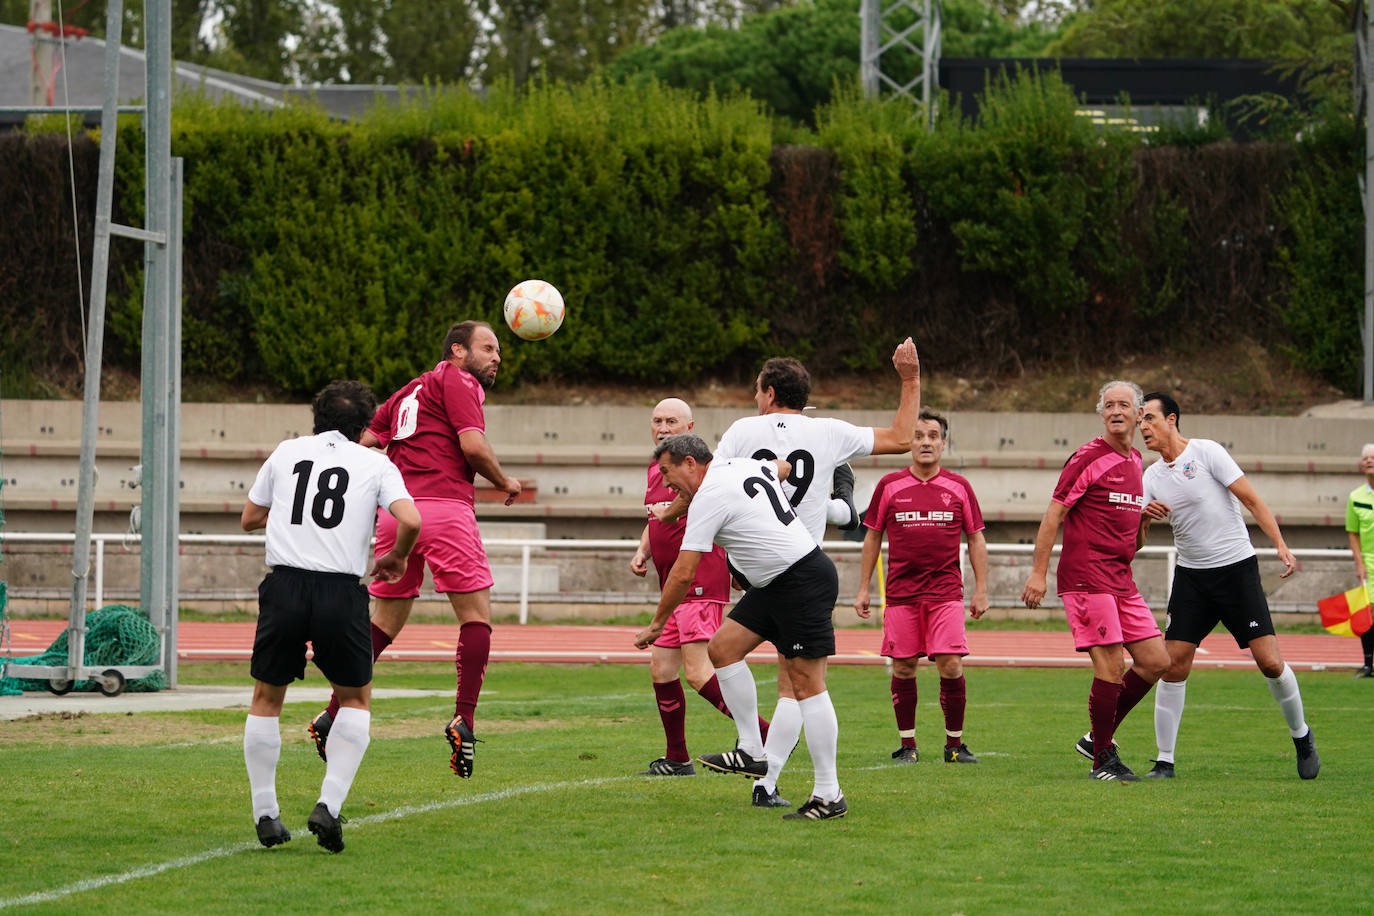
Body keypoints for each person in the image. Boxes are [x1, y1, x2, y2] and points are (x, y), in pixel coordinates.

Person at [655, 339, 920, 806]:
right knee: (739, 657)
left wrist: (673, 513)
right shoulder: (828, 432)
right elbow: (902, 437)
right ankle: (760, 767)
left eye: (758, 391)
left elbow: (712, 482)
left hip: (791, 568)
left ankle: (812, 788)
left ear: (771, 392)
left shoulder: (741, 430)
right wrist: (910, 380)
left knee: (801, 684)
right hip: (784, 563)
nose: (756, 400)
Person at [309, 320, 522, 780]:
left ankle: (331, 714)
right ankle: (465, 717)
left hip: (397, 513)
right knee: (476, 618)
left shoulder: (407, 392)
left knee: (384, 623)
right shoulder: (459, 380)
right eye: (488, 348)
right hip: (445, 510)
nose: (497, 357)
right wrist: (504, 481)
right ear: (457, 351)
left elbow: (365, 442)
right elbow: (472, 444)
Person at [240, 380, 421, 853]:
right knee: (355, 699)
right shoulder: (375, 462)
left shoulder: (286, 452)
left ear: (315, 418)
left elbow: (249, 517)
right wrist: (397, 558)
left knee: (266, 698)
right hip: (340, 591)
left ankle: (265, 813)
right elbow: (412, 519)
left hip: (284, 586)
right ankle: (329, 806)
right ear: (365, 427)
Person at [634, 434, 847, 819]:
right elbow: (781, 467)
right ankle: (751, 749)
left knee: (806, 685)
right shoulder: (741, 465)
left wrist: (656, 623)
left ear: (690, 464)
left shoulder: (709, 496)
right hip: (774, 582)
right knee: (722, 649)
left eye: (668, 472)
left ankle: (829, 794)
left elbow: (683, 574)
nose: (666, 483)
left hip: (800, 579)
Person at [1137, 392, 1318, 779]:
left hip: (1236, 571)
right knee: (1173, 666)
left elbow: (1253, 501)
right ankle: (1164, 760)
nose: (1143, 427)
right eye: (1140, 421)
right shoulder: (1150, 476)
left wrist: (1280, 546)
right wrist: (1143, 520)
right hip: (1191, 578)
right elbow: (1137, 541)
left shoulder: (1207, 453)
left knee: (1269, 662)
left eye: (1149, 418)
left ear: (1172, 419)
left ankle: (1301, 736)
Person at [1021, 380, 1169, 782]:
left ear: (1140, 414)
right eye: (1109, 405)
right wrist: (1039, 573)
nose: (1116, 411)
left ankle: (1096, 738)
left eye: (1124, 405)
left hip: (1121, 579)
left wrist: (1144, 520)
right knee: (1112, 665)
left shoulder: (1137, 461)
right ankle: (1103, 758)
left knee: (1157, 661)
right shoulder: (1088, 457)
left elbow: (1132, 542)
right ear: (1101, 413)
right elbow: (1054, 515)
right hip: (1087, 577)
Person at [629, 397, 771, 776]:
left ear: (690, 428)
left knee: (697, 671)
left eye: (671, 421)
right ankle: (677, 758)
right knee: (661, 670)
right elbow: (655, 519)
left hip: (699, 580)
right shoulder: (655, 471)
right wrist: (642, 549)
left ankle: (765, 738)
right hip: (670, 586)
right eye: (656, 420)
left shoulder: (704, 471)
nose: (662, 427)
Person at [854, 408, 988, 765]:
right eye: (918, 436)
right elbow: (872, 537)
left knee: (951, 664)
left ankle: (954, 746)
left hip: (945, 593)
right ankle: (907, 745)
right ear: (909, 442)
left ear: (943, 444)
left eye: (932, 436)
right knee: (903, 668)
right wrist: (864, 587)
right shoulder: (889, 486)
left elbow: (975, 539)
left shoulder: (959, 487)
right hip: (901, 594)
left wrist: (981, 589)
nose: (925, 442)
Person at [1343, 443, 1374, 678]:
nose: (1369, 461)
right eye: (1366, 458)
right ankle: (1367, 665)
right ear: (1360, 465)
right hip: (1369, 563)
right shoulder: (1355, 496)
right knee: (1367, 614)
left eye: (1373, 457)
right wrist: (1359, 562)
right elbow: (1352, 532)